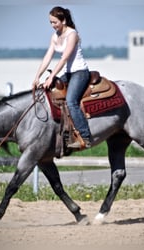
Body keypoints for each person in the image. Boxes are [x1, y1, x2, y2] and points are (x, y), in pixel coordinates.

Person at [32, 6, 92, 149]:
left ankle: (85, 136)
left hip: (80, 72)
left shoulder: (72, 35)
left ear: (63, 20)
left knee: (71, 101)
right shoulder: (55, 37)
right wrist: (37, 77)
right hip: (68, 73)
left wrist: (51, 77)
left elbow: (64, 58)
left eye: (55, 22)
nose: (53, 26)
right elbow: (48, 57)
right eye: (50, 23)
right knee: (47, 94)